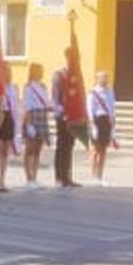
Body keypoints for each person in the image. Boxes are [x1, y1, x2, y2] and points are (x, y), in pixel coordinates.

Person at [51, 53, 83, 188]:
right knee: (62, 146)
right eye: (74, 59)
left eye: (77, 59)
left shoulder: (76, 75)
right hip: (62, 116)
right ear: (68, 58)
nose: (76, 61)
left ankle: (68, 176)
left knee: (69, 146)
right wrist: (62, 112)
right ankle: (59, 177)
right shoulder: (59, 75)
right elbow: (55, 97)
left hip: (73, 117)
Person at [20, 63, 52, 189]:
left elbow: (47, 103)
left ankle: (35, 177)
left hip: (42, 115)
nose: (42, 73)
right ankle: (28, 179)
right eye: (39, 70)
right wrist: (28, 124)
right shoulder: (28, 87)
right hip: (32, 116)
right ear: (34, 72)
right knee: (30, 149)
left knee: (38, 149)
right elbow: (27, 106)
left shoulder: (43, 87)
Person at [0, 78, 19, 193]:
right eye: (6, 70)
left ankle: (2, 178)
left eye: (9, 71)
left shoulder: (12, 88)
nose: (9, 73)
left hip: (8, 117)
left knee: (6, 150)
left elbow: (15, 106)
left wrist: (16, 123)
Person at [88, 71, 117, 186]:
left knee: (104, 150)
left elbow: (111, 105)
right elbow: (90, 108)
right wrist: (92, 124)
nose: (105, 79)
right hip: (97, 120)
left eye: (106, 77)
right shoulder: (93, 92)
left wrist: (113, 118)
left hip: (107, 121)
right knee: (95, 149)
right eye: (102, 78)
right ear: (97, 79)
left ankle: (100, 176)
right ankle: (93, 176)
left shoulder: (110, 91)